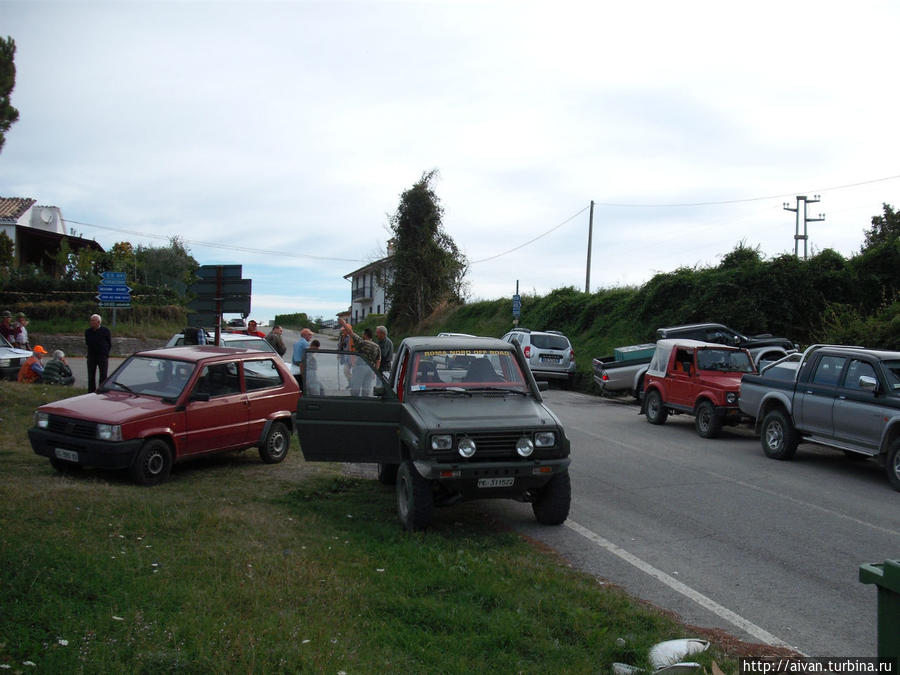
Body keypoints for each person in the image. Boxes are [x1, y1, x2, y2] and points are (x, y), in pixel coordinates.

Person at [339, 318, 381, 396]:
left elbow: (351, 333)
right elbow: (378, 360)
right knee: (366, 390)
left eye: (363, 334)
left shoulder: (362, 342)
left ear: (365, 335)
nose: (362, 335)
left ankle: (355, 404)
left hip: (360, 368)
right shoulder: (377, 346)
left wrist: (343, 324)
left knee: (355, 388)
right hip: (371, 369)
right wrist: (375, 372)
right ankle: (365, 404)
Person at [85, 313, 112, 393]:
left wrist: (106, 353)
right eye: (91, 320)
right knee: (91, 375)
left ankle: (101, 390)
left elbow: (109, 343)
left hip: (102, 356)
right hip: (91, 356)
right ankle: (91, 391)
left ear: (98, 322)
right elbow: (87, 342)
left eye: (93, 321)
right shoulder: (88, 332)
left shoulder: (105, 331)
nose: (91, 322)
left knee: (103, 375)